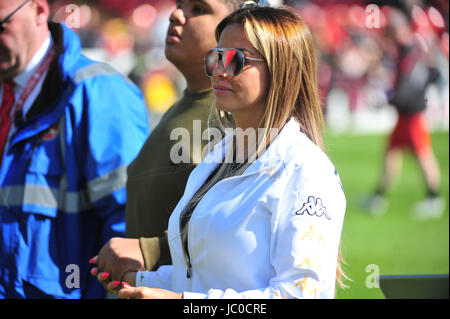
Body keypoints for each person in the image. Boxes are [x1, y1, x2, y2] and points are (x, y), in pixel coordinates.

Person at [106, 5, 347, 299]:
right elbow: (200, 276)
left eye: (235, 60)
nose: (219, 70)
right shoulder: (218, 158)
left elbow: (299, 295)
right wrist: (140, 281)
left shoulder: (305, 169)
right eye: (215, 57)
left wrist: (182, 303)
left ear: (281, 68)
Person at [89, 0, 255, 288]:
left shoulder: (235, 118)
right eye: (179, 5)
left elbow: (246, 225)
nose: (177, 15)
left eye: (198, 9)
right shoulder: (184, 107)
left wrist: (151, 249)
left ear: (237, 28)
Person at [0, 0, 149, 298]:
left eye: (1, 25)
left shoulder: (99, 91)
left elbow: (129, 229)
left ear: (39, 10)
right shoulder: (9, 90)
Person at [363, 9, 445, 219]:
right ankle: (379, 196)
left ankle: (434, 198)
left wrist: (391, 99)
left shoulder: (410, 51)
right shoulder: (411, 49)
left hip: (412, 113)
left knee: (423, 154)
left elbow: (408, 85)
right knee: (391, 153)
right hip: (406, 112)